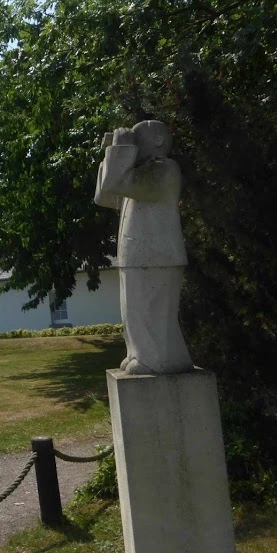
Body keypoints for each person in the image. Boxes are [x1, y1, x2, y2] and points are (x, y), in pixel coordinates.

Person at [94, 120, 193, 375]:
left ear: (158, 139)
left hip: (157, 256)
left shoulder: (164, 169)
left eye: (137, 138)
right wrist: (109, 156)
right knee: (134, 311)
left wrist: (121, 149)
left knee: (152, 311)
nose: (134, 143)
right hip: (139, 256)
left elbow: (117, 184)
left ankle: (156, 360)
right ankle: (140, 353)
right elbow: (105, 196)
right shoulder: (139, 174)